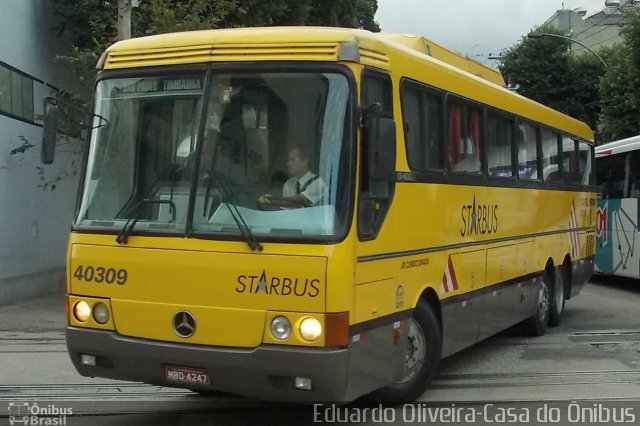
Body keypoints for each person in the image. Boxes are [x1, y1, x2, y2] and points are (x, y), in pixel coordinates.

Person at [258, 145, 327, 208]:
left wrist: (272, 200)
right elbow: (288, 206)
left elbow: (301, 201)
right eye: (288, 160)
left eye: (292, 160)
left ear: (304, 162)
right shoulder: (288, 184)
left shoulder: (318, 183)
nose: (288, 164)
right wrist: (269, 201)